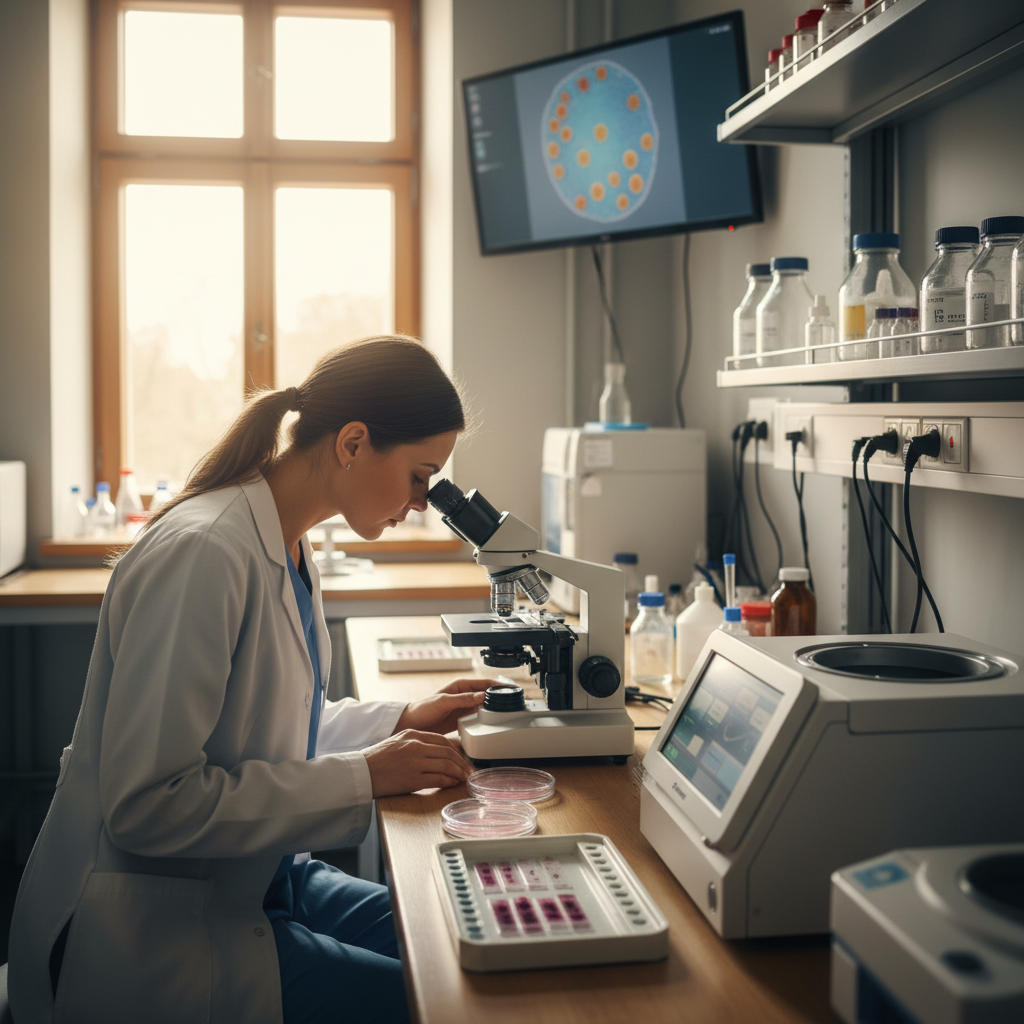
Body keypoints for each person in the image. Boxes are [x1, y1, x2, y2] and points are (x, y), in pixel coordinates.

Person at [9, 336, 492, 1024]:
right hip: (149, 926)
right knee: (446, 1004)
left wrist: (400, 719)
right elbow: (148, 803)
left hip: (254, 877)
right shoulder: (205, 553)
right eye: (421, 476)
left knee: (466, 932)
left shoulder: (288, 544)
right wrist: (365, 776)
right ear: (353, 443)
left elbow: (271, 724)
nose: (423, 502)